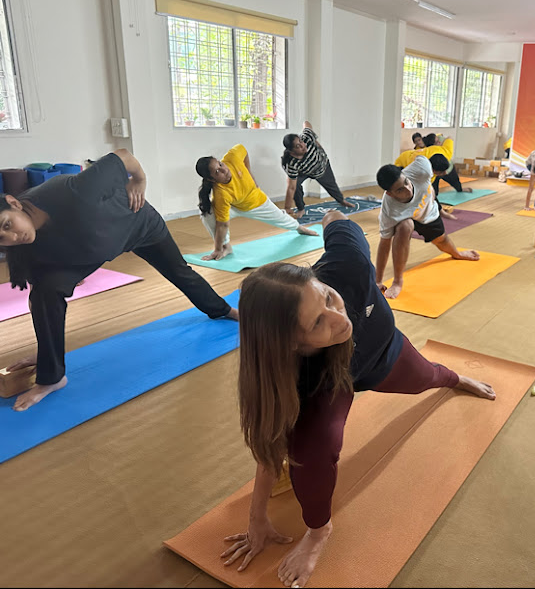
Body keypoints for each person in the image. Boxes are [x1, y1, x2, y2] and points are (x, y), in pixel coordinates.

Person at [219, 211, 495, 588]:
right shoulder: (290, 372)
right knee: (311, 450)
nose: (338, 317)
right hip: (328, 383)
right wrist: (256, 518)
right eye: (318, 323)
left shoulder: (346, 262)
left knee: (428, 377)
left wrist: (328, 216)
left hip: (381, 353)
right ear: (292, 345)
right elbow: (271, 443)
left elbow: (336, 219)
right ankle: (319, 533)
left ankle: (455, 377)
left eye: (328, 298)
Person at [0, 150, 239, 412]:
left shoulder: (73, 191)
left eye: (7, 225)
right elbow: (39, 293)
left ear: (14, 202)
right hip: (91, 247)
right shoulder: (25, 243)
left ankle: (223, 310)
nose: (11, 236)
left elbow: (123, 156)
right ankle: (53, 377)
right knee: (45, 292)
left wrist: (140, 180)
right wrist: (47, 346)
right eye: (1, 238)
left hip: (140, 226)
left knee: (180, 272)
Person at [375, 155, 479, 299]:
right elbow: (385, 243)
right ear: (389, 194)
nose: (408, 189)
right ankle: (398, 281)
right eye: (400, 190)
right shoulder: (389, 209)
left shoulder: (421, 169)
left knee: (442, 241)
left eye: (406, 182)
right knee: (405, 226)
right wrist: (378, 281)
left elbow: (421, 156)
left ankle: (457, 254)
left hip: (427, 211)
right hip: (406, 217)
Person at [195, 145, 317, 261]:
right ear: (211, 179)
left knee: (282, 219)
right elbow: (222, 225)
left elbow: (243, 149)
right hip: (236, 207)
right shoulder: (221, 194)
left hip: (258, 203)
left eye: (220, 164)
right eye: (217, 171)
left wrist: (249, 173)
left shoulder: (232, 158)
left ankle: (300, 228)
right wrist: (217, 249)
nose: (223, 169)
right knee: (207, 213)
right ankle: (225, 247)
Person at [281, 121, 356, 219]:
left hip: (321, 165)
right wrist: (287, 207)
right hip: (303, 171)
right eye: (297, 146)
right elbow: (291, 187)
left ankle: (341, 201)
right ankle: (301, 208)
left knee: (331, 185)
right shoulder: (290, 163)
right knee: (296, 185)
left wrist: (304, 123)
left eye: (301, 142)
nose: (302, 146)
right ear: (291, 151)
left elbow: (307, 124)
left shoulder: (307, 138)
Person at [395, 136, 468, 221]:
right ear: (433, 170)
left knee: (430, 191)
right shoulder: (421, 172)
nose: (445, 173)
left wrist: (442, 213)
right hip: (403, 162)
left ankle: (436, 212)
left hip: (422, 161)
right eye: (441, 172)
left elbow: (450, 138)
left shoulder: (446, 152)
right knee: (408, 192)